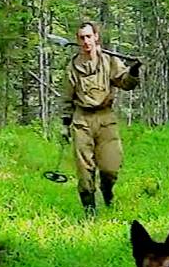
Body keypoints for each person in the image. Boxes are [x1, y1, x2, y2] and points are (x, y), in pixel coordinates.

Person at [59, 21, 140, 217]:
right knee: (84, 169)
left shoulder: (109, 61)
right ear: (78, 40)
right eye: (82, 38)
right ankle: (90, 212)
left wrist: (134, 71)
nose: (86, 41)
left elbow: (125, 83)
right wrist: (65, 124)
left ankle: (108, 192)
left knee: (110, 168)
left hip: (105, 118)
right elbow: (67, 97)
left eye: (89, 36)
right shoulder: (73, 67)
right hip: (82, 119)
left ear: (96, 37)